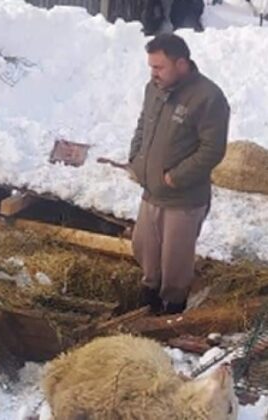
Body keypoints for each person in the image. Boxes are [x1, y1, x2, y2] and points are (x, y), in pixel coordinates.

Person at [128, 34, 230, 315]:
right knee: (143, 247)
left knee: (175, 261)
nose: (153, 73)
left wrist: (176, 177)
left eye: (159, 67)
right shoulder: (155, 88)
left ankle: (172, 309)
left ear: (181, 64)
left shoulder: (208, 98)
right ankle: (148, 295)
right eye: (151, 67)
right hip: (151, 191)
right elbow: (143, 124)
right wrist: (136, 159)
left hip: (183, 198)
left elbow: (213, 150)